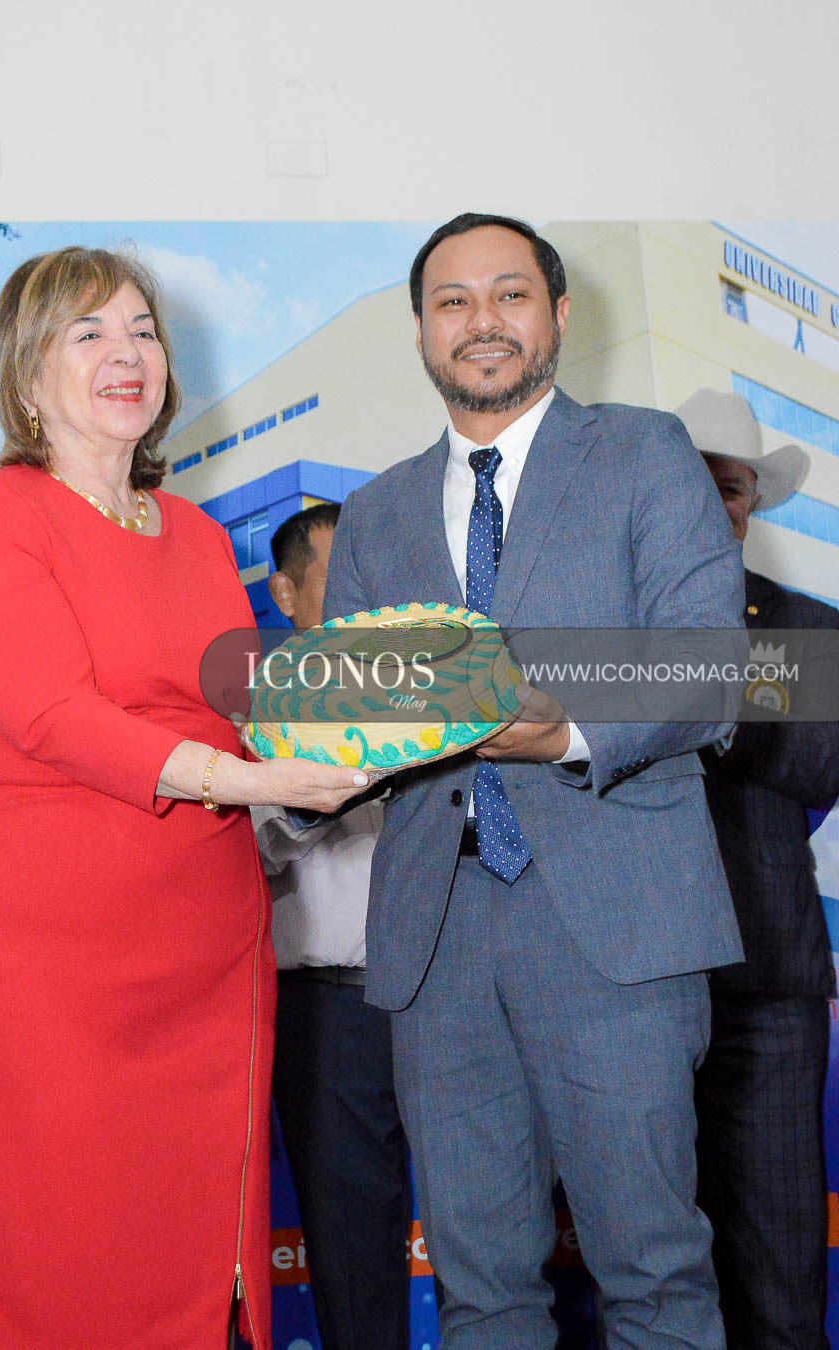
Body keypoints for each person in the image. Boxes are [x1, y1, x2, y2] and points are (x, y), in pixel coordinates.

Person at [0, 245, 367, 1350]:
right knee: (51, 1267)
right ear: (27, 374)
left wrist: (384, 735)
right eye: (89, 333)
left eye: (143, 331)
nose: (127, 354)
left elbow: (251, 711)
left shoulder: (200, 537)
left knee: (194, 1269)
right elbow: (52, 715)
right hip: (42, 963)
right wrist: (247, 781)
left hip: (204, 958)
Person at [322, 213, 745, 1348]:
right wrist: (298, 746)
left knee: (653, 1272)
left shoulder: (644, 452)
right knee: (479, 1289)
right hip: (436, 931)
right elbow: (360, 719)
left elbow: (708, 666)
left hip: (614, 918)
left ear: (558, 314)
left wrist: (566, 732)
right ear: (421, 329)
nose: (482, 322)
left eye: (510, 295)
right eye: (452, 301)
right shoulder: (375, 511)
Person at [678, 387, 839, 1350]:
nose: (713, 504)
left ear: (750, 507)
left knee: (780, 1263)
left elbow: (821, 762)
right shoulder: (603, 627)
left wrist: (691, 692)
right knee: (655, 1268)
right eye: (691, 484)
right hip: (631, 989)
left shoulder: (807, 627)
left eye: (730, 488)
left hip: (770, 985)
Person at [254, 503, 412, 1350]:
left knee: (496, 1226)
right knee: (354, 1249)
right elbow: (245, 842)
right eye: (342, 576)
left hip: (456, 992)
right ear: (285, 593)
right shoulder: (247, 698)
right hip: (334, 1008)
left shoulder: (442, 683)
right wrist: (322, 789)